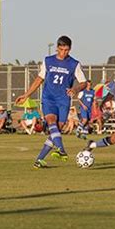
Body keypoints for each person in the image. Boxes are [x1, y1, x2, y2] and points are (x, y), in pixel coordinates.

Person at [15, 35, 87, 169]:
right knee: (51, 122)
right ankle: (61, 149)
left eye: (66, 50)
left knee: (56, 131)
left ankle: (39, 160)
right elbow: (39, 79)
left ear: (70, 49)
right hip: (48, 98)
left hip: (63, 100)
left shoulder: (74, 64)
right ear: (57, 48)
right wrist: (26, 95)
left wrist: (75, 89)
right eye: (61, 49)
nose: (64, 52)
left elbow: (83, 82)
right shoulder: (48, 61)